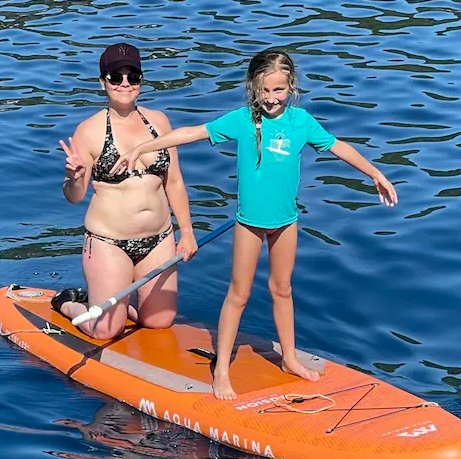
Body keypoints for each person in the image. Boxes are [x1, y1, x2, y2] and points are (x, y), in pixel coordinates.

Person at [110, 48, 398, 399]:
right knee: (239, 294)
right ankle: (220, 371)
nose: (272, 98)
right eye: (265, 91)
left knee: (282, 289)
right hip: (249, 224)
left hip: (286, 223)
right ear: (253, 87)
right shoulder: (243, 121)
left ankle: (289, 357)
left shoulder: (302, 122)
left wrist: (375, 174)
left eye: (279, 91)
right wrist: (142, 148)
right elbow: (190, 133)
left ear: (290, 87)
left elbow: (340, 147)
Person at [54, 42, 197, 340]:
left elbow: (174, 181)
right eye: (115, 77)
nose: (125, 84)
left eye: (133, 76)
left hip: (158, 239)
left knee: (159, 321)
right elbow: (75, 196)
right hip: (109, 242)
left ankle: (119, 305)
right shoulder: (89, 130)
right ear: (102, 81)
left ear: (141, 81)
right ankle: (70, 303)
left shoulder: (158, 122)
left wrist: (186, 230)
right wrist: (74, 177)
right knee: (105, 330)